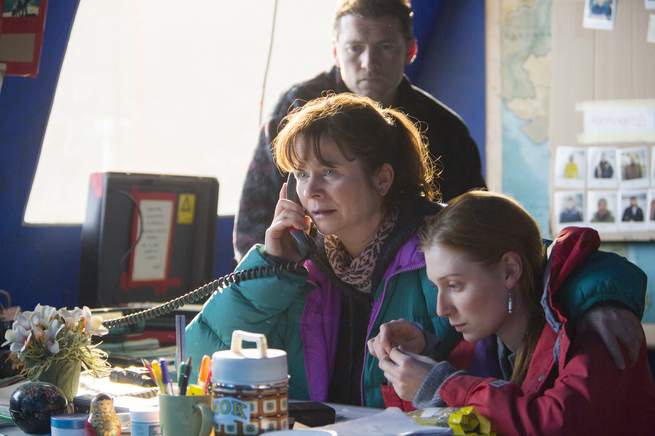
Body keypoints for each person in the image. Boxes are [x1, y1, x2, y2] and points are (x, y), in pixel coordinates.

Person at [187, 94, 645, 408]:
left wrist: (599, 299)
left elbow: (536, 259)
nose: (312, 190)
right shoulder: (295, 265)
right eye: (302, 174)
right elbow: (197, 360)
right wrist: (269, 268)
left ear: (382, 179)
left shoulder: (439, 239)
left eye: (329, 171)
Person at [368, 191, 654, 434]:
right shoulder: (483, 340)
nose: (442, 308)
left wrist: (443, 384)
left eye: (455, 285)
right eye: (436, 287)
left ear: (509, 271)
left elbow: (557, 425)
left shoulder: (597, 332)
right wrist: (415, 360)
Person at [233, 0, 485, 260]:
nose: (369, 62)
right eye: (355, 48)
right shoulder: (296, 109)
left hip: (418, 277)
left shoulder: (445, 128)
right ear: (335, 52)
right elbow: (252, 229)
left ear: (410, 50)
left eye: (385, 47)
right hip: (310, 281)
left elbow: (473, 227)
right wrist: (274, 274)